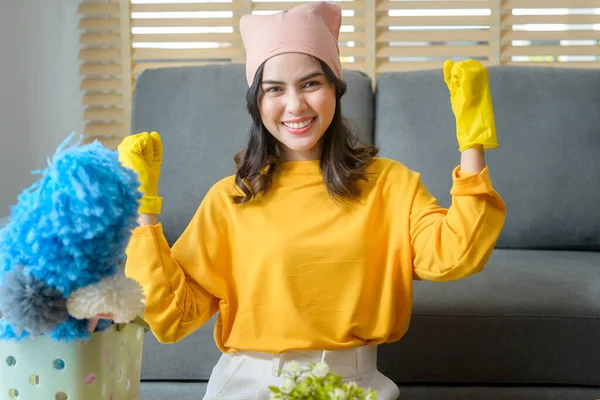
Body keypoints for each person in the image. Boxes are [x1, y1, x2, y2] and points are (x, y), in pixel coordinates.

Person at [117, 2, 506, 399]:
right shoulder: (230, 198)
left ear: (335, 87)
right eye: (274, 89)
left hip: (354, 385)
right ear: (257, 103)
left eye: (310, 83)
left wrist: (473, 143)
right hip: (249, 386)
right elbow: (171, 317)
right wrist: (143, 206)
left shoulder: (390, 184)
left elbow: (458, 254)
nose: (295, 105)